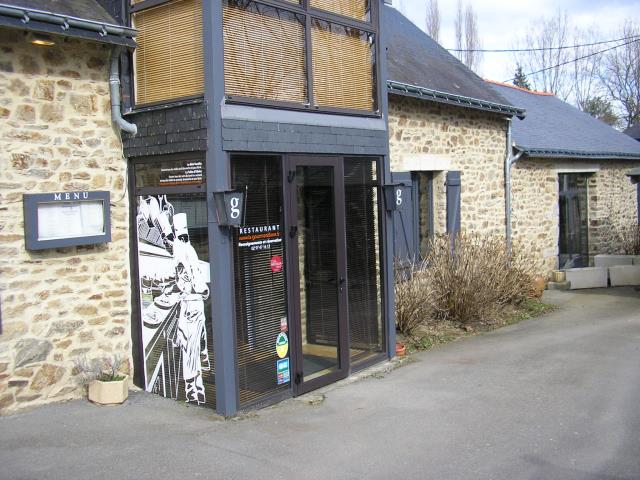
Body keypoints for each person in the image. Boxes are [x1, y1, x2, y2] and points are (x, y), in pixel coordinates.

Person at [171, 213, 210, 404]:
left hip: (189, 303)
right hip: (193, 303)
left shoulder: (180, 251)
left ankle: (193, 390)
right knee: (191, 346)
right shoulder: (187, 250)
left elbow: (189, 278)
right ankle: (196, 389)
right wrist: (203, 290)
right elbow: (195, 278)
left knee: (190, 347)